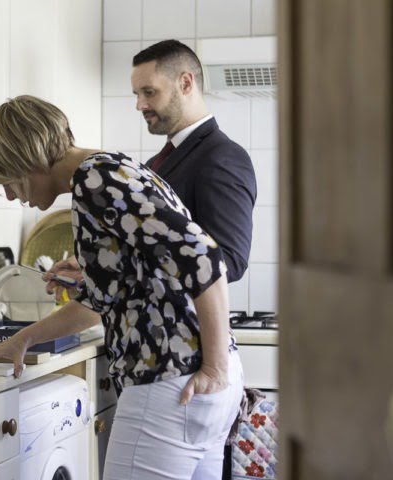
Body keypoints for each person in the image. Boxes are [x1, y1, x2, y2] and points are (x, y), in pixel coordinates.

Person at [0, 95, 244, 480]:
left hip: (170, 381)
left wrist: (214, 366)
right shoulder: (111, 170)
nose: (12, 196)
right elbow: (100, 302)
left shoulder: (96, 181)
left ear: (23, 157)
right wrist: (23, 340)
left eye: (5, 181)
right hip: (197, 388)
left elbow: (205, 258)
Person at [45, 39, 256, 300]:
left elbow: (230, 261)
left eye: (149, 92)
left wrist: (124, 270)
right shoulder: (157, 161)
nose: (139, 105)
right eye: (137, 94)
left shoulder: (223, 157)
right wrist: (97, 268)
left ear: (186, 84)